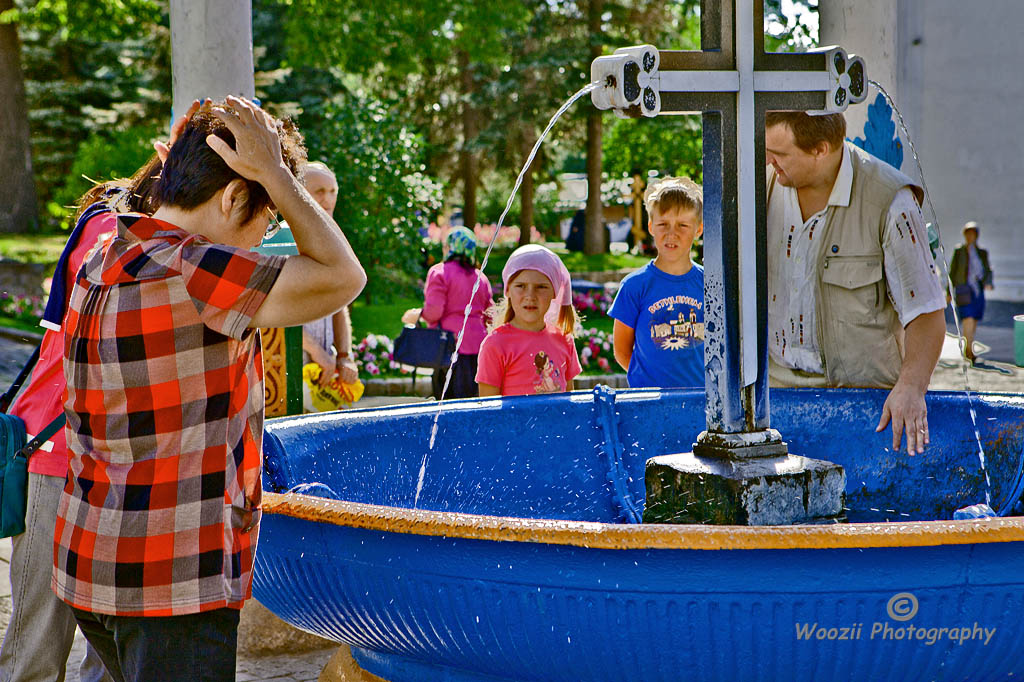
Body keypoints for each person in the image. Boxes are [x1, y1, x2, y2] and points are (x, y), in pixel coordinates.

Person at [53, 97, 365, 681]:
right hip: (173, 576)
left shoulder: (106, 255)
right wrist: (275, 174)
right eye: (267, 221)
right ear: (230, 198)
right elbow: (344, 276)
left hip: (92, 556)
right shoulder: (197, 271)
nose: (264, 238)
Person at [0, 98, 202, 682]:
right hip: (61, 451)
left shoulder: (177, 242)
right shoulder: (114, 230)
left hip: (123, 462)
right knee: (40, 641)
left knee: (110, 651)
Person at [764, 111, 946, 455]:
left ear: (821, 149)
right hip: (775, 400)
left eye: (780, 154)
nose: (768, 160)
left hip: (864, 405)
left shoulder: (891, 202)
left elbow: (926, 312)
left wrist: (911, 386)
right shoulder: (760, 184)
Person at [609, 176, 705, 388]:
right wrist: (647, 381)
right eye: (663, 224)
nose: (672, 234)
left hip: (700, 401)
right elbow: (622, 350)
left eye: (682, 225)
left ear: (698, 230)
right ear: (651, 227)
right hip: (649, 402)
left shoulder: (710, 284)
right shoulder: (634, 286)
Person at [476, 244, 581, 396]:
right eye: (521, 286)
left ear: (554, 292)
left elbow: (569, 403)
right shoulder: (495, 345)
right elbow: (489, 411)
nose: (530, 295)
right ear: (508, 291)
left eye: (541, 287)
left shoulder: (564, 340)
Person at [402, 227, 493, 399]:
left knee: (447, 404)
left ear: (449, 248)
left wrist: (418, 314)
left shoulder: (440, 272)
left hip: (449, 348)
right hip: (479, 350)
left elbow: (434, 312)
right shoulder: (481, 278)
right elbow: (491, 315)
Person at [298, 161, 360, 409]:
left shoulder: (335, 240)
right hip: (289, 367)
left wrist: (344, 356)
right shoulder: (282, 240)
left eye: (333, 191)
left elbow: (339, 303)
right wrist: (316, 352)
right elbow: (275, 311)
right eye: (320, 191)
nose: (329, 199)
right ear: (299, 193)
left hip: (326, 367)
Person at [949, 221, 994, 365]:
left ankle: (969, 346)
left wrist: (988, 282)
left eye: (972, 234)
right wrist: (948, 291)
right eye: (967, 234)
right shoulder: (959, 251)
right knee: (967, 318)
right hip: (963, 289)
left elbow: (987, 270)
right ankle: (968, 350)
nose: (970, 237)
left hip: (977, 290)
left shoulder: (982, 253)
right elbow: (952, 272)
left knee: (973, 319)